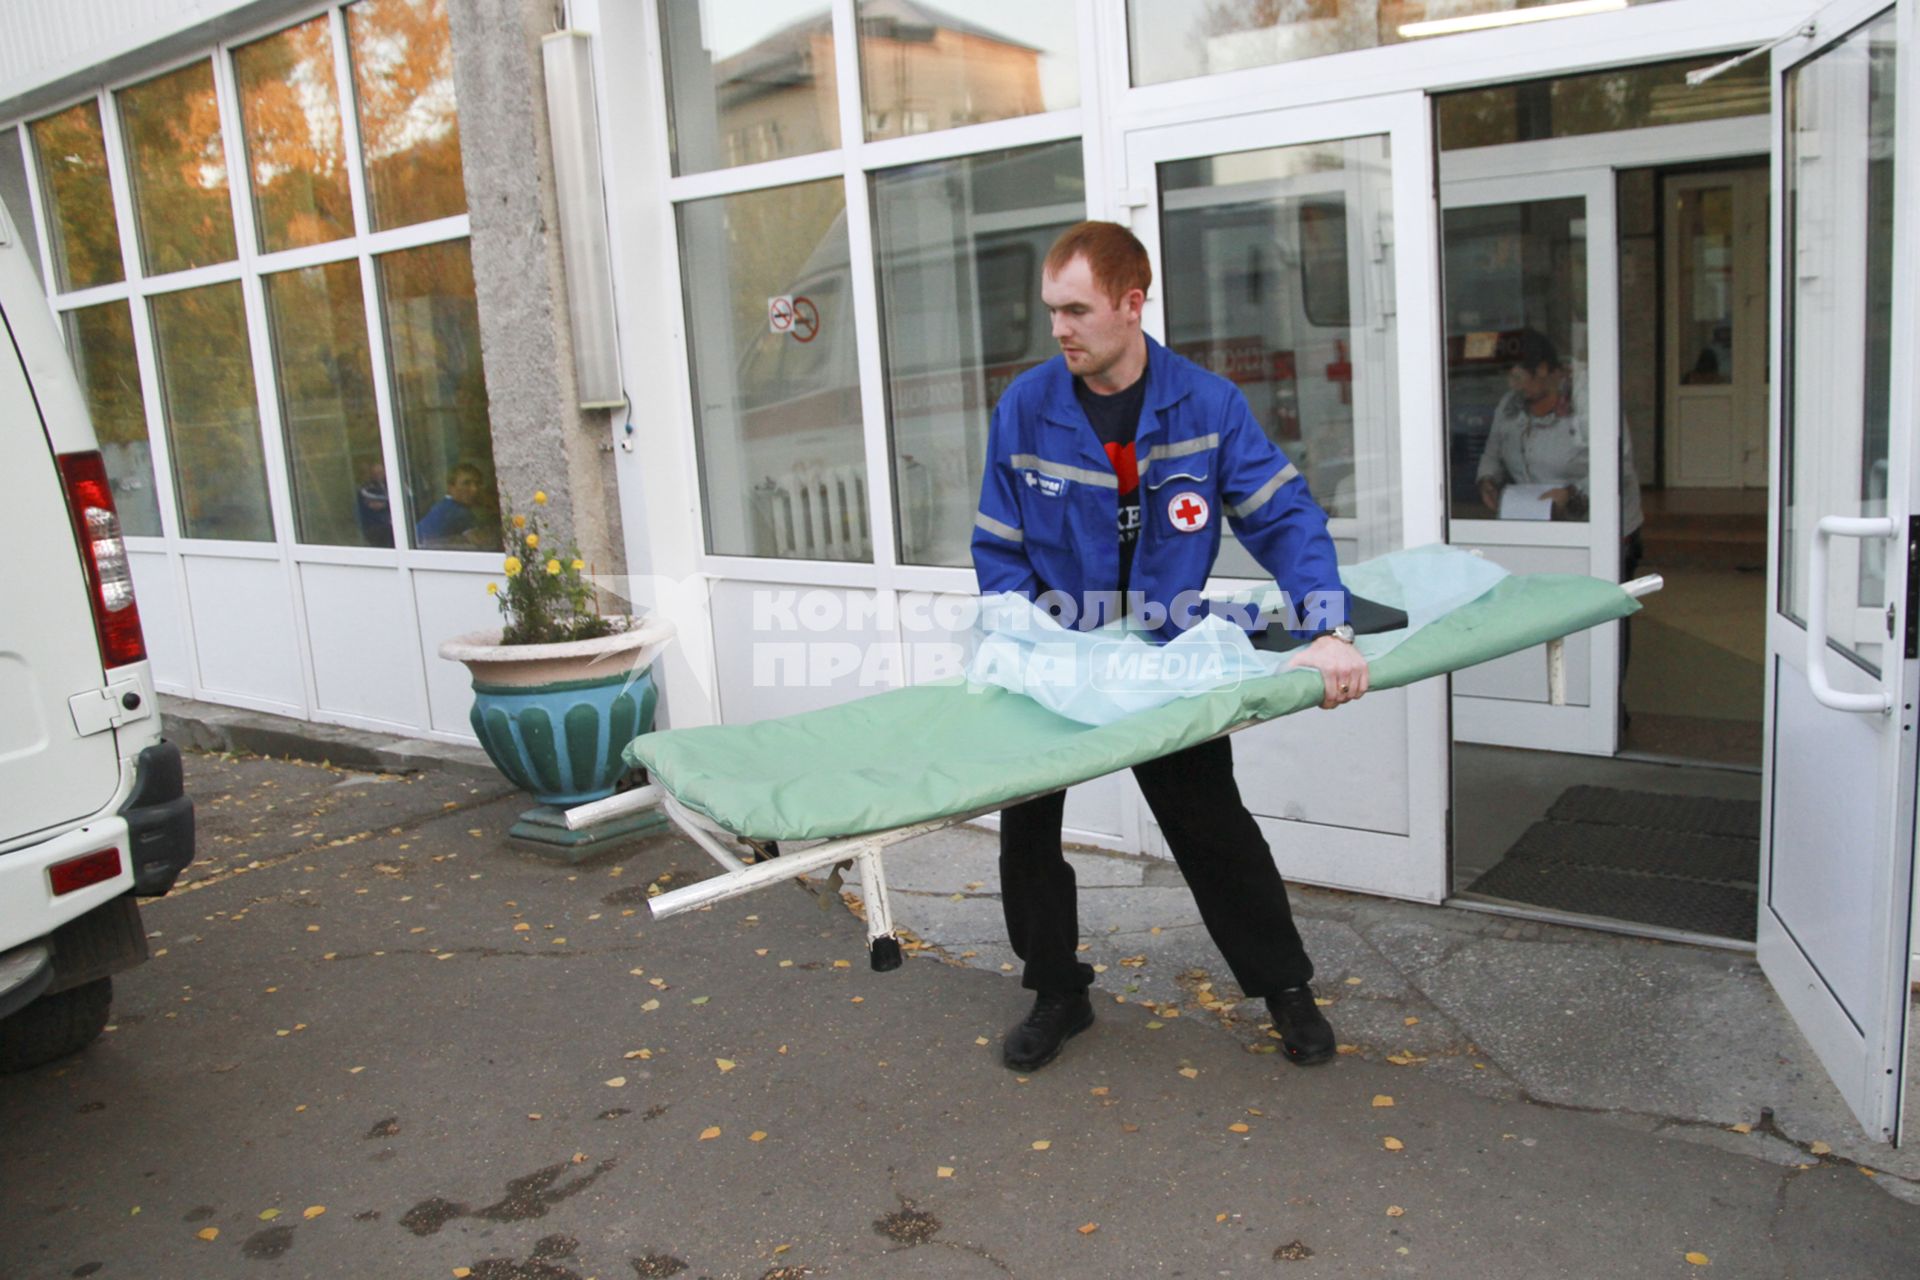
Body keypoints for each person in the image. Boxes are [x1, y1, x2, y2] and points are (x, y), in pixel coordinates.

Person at [971, 221, 1368, 1073]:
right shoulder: (1025, 409)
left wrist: (1329, 626)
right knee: (1028, 831)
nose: (1060, 329)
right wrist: (1021, 639)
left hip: (1163, 650)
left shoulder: (1207, 404)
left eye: (1076, 310)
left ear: (1131, 303)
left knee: (1210, 825)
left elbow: (1286, 519)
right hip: (1059, 655)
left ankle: (1285, 989)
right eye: (1051, 312)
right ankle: (1056, 991)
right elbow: (998, 548)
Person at [1475, 329, 1644, 571]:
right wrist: (1487, 479)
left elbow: (1619, 465)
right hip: (1541, 527)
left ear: (1542, 370)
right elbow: (1493, 451)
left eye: (1517, 377)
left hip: (1601, 532)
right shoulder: (1511, 403)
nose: (1512, 386)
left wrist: (1572, 494)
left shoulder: (1590, 399)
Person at [414, 462, 488, 548]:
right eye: (466, 483)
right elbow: (482, 543)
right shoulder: (458, 512)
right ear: (451, 487)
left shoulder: (442, 506)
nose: (474, 489)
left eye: (478, 483)